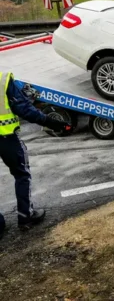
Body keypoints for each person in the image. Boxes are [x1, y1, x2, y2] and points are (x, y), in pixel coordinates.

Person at [1, 72, 71, 239]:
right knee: (21, 174)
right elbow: (24, 109)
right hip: (6, 137)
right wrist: (49, 121)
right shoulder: (3, 79)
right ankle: (26, 216)